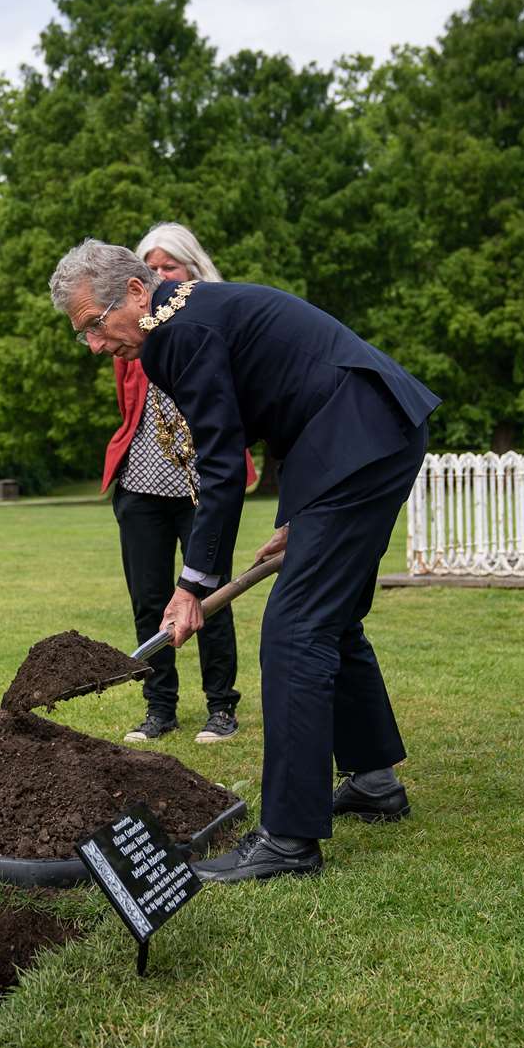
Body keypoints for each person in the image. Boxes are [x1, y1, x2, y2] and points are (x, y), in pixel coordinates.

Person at [49, 240, 440, 884]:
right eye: (84, 332)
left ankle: (287, 843)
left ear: (138, 295)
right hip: (355, 431)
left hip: (361, 433)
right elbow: (289, 398)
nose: (95, 345)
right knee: (331, 621)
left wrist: (191, 584)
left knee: (296, 632)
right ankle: (373, 782)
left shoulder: (180, 332)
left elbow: (223, 466)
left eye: (95, 324)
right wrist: (296, 515)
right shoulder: (182, 320)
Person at [103, 222, 255, 745]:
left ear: (190, 270)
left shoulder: (207, 321)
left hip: (201, 482)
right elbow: (131, 406)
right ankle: (159, 708)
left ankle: (220, 707)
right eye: (153, 266)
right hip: (142, 480)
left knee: (207, 593)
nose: (161, 273)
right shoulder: (131, 333)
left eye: (169, 265)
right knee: (149, 600)